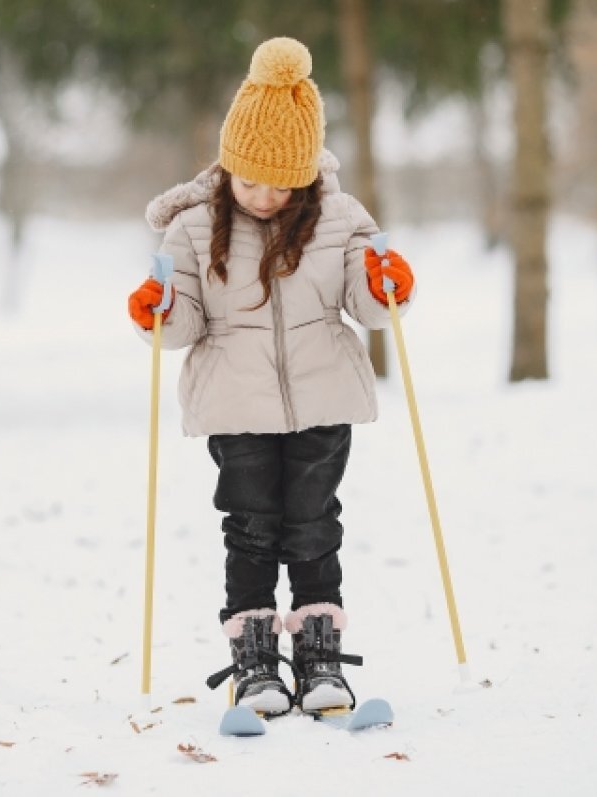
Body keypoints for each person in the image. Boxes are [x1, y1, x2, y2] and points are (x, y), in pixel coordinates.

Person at [126, 37, 416, 717]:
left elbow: (368, 307)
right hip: (235, 404)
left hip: (324, 399)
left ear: (308, 172)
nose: (262, 195)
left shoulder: (341, 220)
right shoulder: (195, 229)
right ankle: (255, 661)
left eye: (280, 181)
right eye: (249, 179)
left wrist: (388, 287)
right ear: (229, 165)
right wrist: (156, 312)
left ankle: (320, 659)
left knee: (314, 525)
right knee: (251, 527)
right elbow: (183, 322)